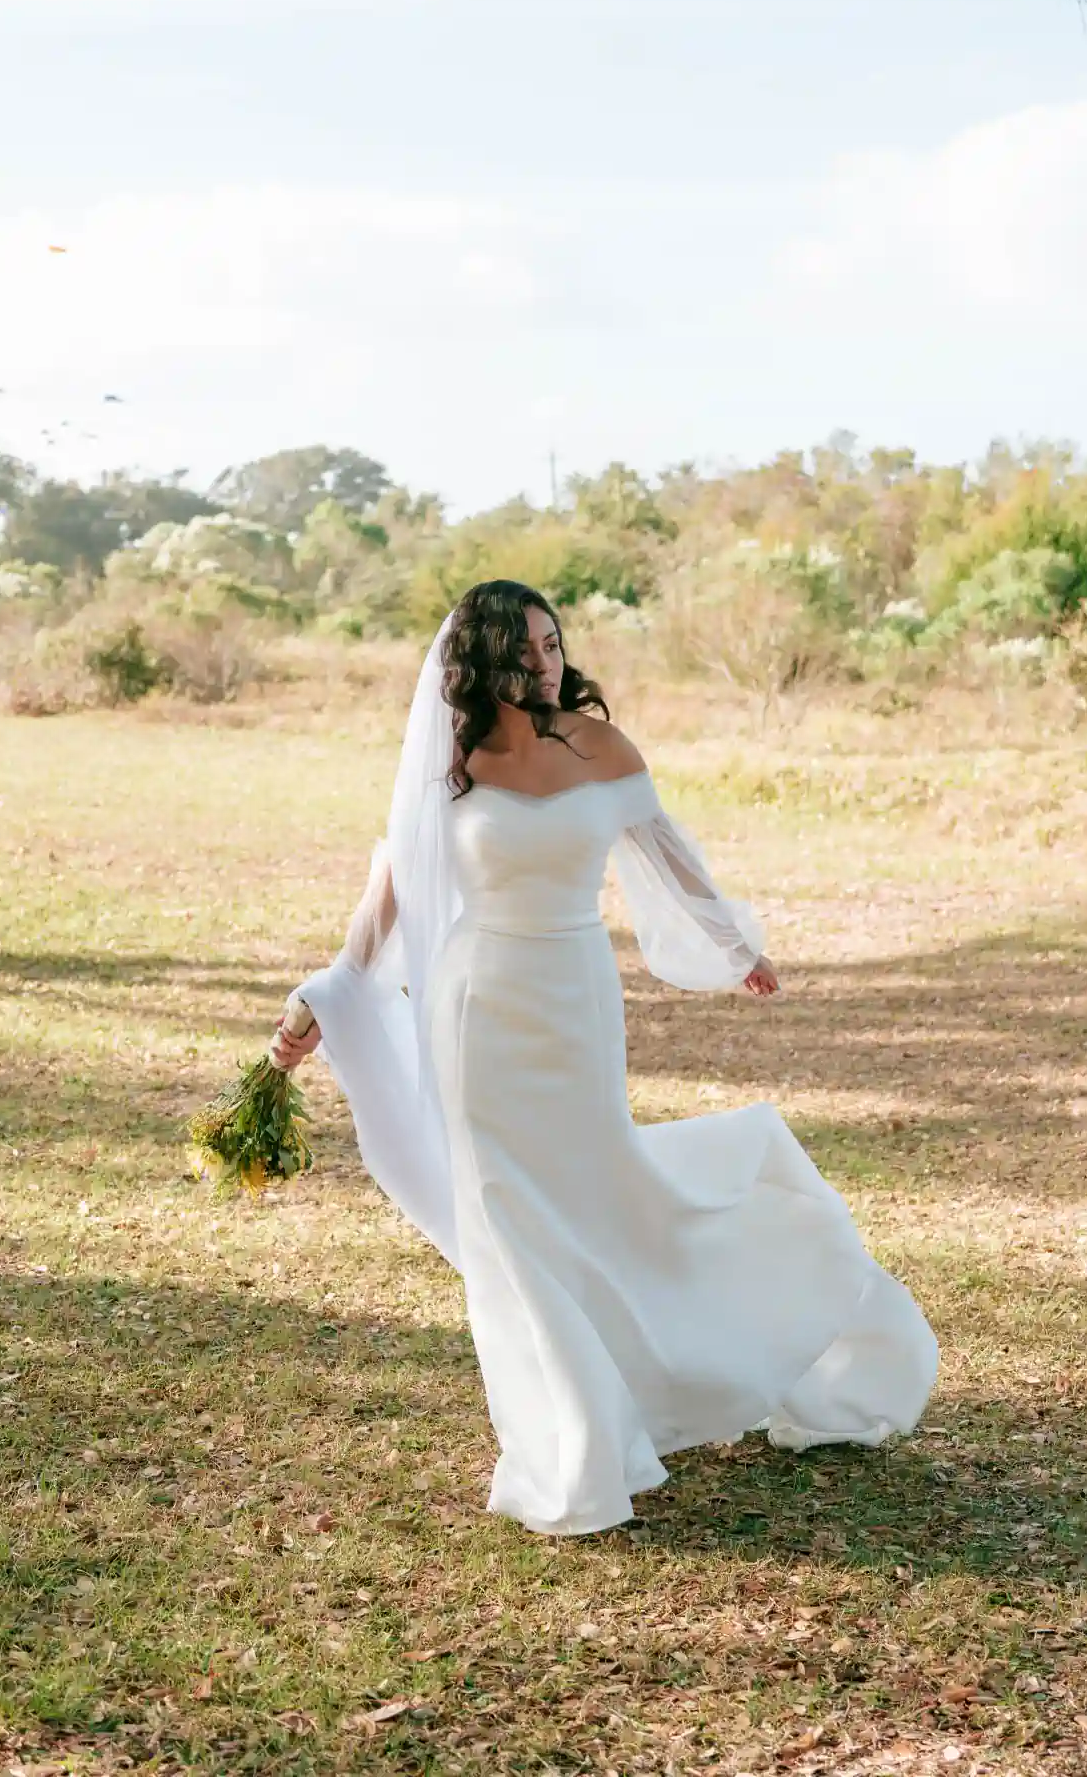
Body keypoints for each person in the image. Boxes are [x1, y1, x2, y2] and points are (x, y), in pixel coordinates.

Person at [271, 578, 938, 1536]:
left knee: (595, 1184)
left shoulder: (599, 744)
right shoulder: (449, 761)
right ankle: (576, 1441)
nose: (543, 663)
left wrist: (734, 944)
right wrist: (334, 988)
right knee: (505, 1210)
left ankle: (733, 1339)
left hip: (574, 991)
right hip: (479, 1003)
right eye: (522, 649)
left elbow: (664, 849)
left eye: (552, 644)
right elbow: (392, 892)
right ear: (477, 662)